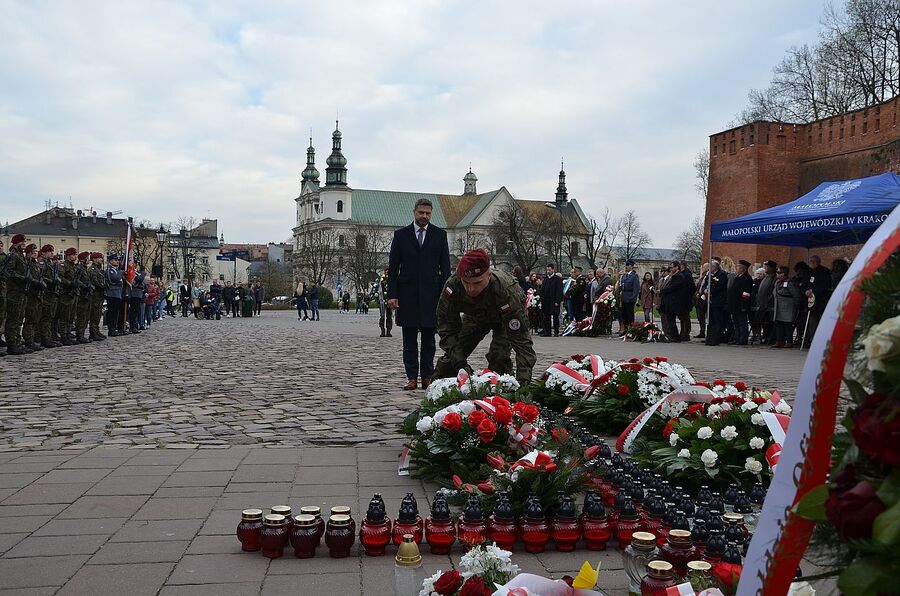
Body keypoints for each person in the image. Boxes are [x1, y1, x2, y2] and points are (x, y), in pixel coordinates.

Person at [433, 249, 536, 385]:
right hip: (475, 316)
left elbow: (522, 340)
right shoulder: (453, 285)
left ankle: (502, 391)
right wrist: (460, 363)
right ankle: (439, 388)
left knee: (499, 356)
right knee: (453, 359)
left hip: (504, 318)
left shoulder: (507, 292)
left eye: (476, 283)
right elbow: (446, 327)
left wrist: (524, 380)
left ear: (488, 275)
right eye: (466, 283)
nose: (470, 289)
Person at [387, 197, 451, 390]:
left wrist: (445, 296)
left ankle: (427, 376)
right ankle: (412, 377)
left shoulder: (439, 235)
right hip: (407, 295)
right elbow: (393, 267)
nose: (424, 216)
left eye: (428, 213)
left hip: (431, 296)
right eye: (421, 213)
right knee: (409, 339)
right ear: (414, 212)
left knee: (429, 340)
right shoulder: (401, 235)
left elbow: (445, 269)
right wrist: (392, 294)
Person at [3, 234, 28, 355]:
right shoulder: (13, 255)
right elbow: (9, 271)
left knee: (18, 319)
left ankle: (17, 342)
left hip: (20, 291)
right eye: (22, 242)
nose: (24, 244)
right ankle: (11, 344)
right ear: (16, 243)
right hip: (14, 291)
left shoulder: (20, 256)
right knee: (13, 318)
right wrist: (22, 278)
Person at [802, 255, 832, 348]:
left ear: (818, 262)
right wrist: (806, 291)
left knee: (820, 320)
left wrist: (813, 291)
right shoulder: (808, 272)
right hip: (810, 301)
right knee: (811, 320)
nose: (812, 263)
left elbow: (825, 285)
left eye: (814, 261)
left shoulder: (824, 271)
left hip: (821, 300)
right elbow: (804, 283)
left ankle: (820, 340)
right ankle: (811, 339)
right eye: (810, 261)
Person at [21, 244, 44, 352]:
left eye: (36, 251)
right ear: (29, 252)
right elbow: (29, 277)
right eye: (34, 251)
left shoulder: (35, 264)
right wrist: (37, 282)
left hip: (36, 294)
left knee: (35, 317)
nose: (36, 253)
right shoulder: (28, 263)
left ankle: (32, 338)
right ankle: (28, 340)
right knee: (30, 318)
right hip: (30, 294)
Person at [773, 266, 801, 348]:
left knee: (788, 324)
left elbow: (796, 294)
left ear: (783, 274)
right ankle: (779, 340)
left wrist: (796, 305)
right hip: (778, 305)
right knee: (779, 323)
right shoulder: (777, 282)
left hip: (788, 306)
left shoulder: (789, 283)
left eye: (779, 273)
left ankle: (789, 341)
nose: (777, 274)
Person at [727, 259, 753, 345]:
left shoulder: (746, 278)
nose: (736, 268)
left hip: (740, 304)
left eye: (738, 267)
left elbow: (746, 293)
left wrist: (744, 305)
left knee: (742, 322)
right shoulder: (738, 277)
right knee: (736, 322)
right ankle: (737, 337)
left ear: (743, 268)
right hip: (734, 304)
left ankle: (743, 339)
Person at [39, 246, 62, 349]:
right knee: (46, 317)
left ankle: (49, 337)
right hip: (46, 293)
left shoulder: (50, 264)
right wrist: (50, 281)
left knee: (50, 317)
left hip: (52, 293)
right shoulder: (43, 264)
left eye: (52, 251)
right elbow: (41, 277)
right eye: (50, 252)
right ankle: (45, 338)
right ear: (44, 253)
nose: (52, 253)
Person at [57, 247, 79, 346]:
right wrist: (69, 283)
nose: (75, 256)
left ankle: (68, 333)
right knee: (64, 316)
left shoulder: (73, 266)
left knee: (71, 316)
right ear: (69, 256)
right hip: (66, 294)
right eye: (74, 255)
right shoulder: (63, 265)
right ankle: (63, 336)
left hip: (73, 294)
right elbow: (60, 278)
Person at [705, 257, 729, 346]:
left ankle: (717, 337)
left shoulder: (721, 274)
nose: (710, 267)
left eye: (712, 266)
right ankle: (711, 336)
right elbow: (706, 283)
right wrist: (705, 290)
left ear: (716, 267)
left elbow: (718, 286)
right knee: (711, 319)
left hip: (718, 300)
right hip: (710, 300)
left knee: (718, 319)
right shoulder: (710, 274)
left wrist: (710, 291)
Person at [755, 260, 776, 345]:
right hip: (761, 303)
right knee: (764, 323)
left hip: (768, 304)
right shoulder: (766, 277)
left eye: (767, 266)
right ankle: (765, 336)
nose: (765, 268)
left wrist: (768, 300)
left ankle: (770, 338)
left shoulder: (774, 278)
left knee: (770, 323)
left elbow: (772, 291)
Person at [539, 263, 563, 337]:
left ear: (553, 269)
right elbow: (542, 290)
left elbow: (559, 291)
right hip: (546, 301)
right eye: (547, 270)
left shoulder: (557, 279)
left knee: (555, 316)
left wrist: (557, 301)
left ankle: (556, 331)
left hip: (554, 301)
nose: (548, 271)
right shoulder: (546, 278)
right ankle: (547, 332)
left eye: (549, 270)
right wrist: (541, 300)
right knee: (547, 316)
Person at [73, 251, 92, 343]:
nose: (89, 260)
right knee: (81, 316)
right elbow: (76, 280)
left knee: (85, 316)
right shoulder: (79, 269)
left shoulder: (85, 269)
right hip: (81, 295)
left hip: (86, 295)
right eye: (87, 258)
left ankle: (82, 334)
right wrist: (84, 286)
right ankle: (79, 335)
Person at [88, 252, 107, 341]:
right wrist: (102, 285)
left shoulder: (99, 269)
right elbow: (95, 281)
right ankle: (93, 332)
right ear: (94, 259)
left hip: (99, 295)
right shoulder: (92, 269)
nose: (101, 260)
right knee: (94, 314)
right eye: (99, 258)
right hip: (95, 295)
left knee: (98, 314)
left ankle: (96, 330)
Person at [104, 254, 124, 336]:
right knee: (112, 313)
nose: (117, 261)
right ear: (111, 261)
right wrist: (121, 271)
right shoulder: (110, 270)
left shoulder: (116, 270)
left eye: (118, 260)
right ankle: (111, 329)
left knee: (116, 313)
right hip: (112, 293)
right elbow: (115, 278)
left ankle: (114, 328)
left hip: (117, 293)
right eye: (115, 260)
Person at [618, 259, 640, 332]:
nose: (626, 266)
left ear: (631, 266)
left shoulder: (634, 276)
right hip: (623, 297)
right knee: (624, 315)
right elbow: (621, 286)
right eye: (625, 265)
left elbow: (636, 289)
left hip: (630, 298)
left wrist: (632, 298)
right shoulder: (624, 275)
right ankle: (625, 330)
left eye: (627, 265)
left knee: (630, 315)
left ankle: (631, 330)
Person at [694, 262, 709, 339]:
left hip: (704, 298)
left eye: (704, 267)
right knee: (700, 316)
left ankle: (705, 331)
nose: (702, 269)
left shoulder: (708, 276)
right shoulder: (702, 276)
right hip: (699, 298)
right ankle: (702, 331)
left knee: (705, 315)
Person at [376, 267, 391, 337]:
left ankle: (388, 331)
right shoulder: (381, 280)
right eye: (386, 270)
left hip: (389, 300)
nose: (387, 271)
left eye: (388, 270)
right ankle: (382, 330)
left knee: (389, 316)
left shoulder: (391, 279)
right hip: (382, 300)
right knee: (382, 316)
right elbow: (376, 289)